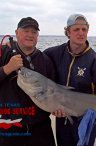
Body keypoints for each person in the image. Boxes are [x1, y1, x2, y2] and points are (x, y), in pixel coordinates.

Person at [43, 14, 96, 146]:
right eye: (76, 29)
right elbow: (33, 58)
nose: (81, 33)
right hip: (62, 118)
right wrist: (12, 46)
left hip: (85, 120)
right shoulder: (53, 53)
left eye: (84, 29)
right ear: (67, 33)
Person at [0, 17, 56, 146]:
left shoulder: (46, 61)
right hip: (10, 124)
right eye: (26, 30)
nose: (30, 35)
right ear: (17, 32)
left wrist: (57, 109)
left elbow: (54, 93)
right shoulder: (2, 53)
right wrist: (7, 68)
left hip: (40, 124)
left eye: (34, 32)